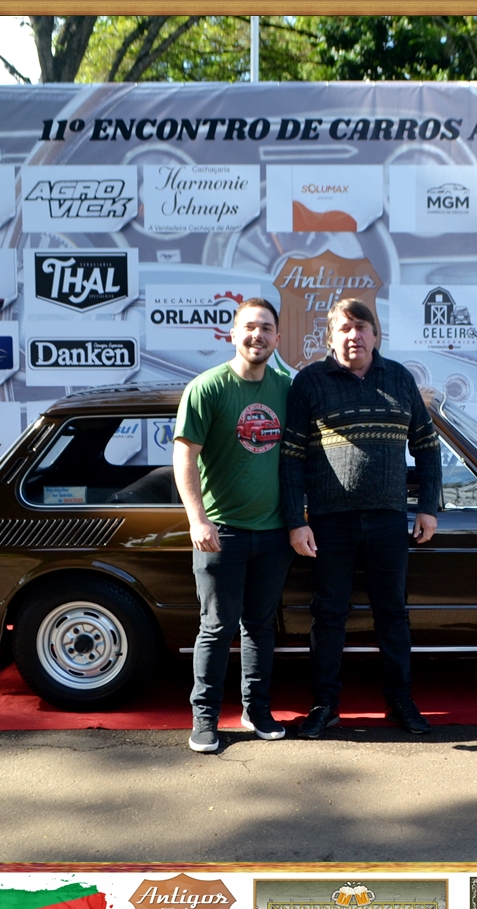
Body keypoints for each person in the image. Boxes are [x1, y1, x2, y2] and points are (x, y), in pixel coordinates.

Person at [279, 298, 442, 738]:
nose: (354, 336)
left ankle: (400, 701)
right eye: (344, 328)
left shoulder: (400, 378)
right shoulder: (310, 382)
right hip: (329, 522)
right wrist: (295, 520)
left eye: (362, 327)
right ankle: (324, 705)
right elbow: (290, 457)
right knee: (328, 615)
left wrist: (428, 507)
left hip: (389, 519)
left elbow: (427, 448)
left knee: (393, 613)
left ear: (375, 334)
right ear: (330, 337)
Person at [172, 298, 294, 753]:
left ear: (277, 337)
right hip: (221, 532)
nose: (257, 335)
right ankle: (204, 719)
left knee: (260, 626)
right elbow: (184, 455)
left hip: (275, 533)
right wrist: (197, 519)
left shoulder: (288, 388)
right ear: (232, 334)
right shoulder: (207, 388)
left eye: (265, 328)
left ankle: (255, 710)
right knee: (216, 627)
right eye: (249, 327)